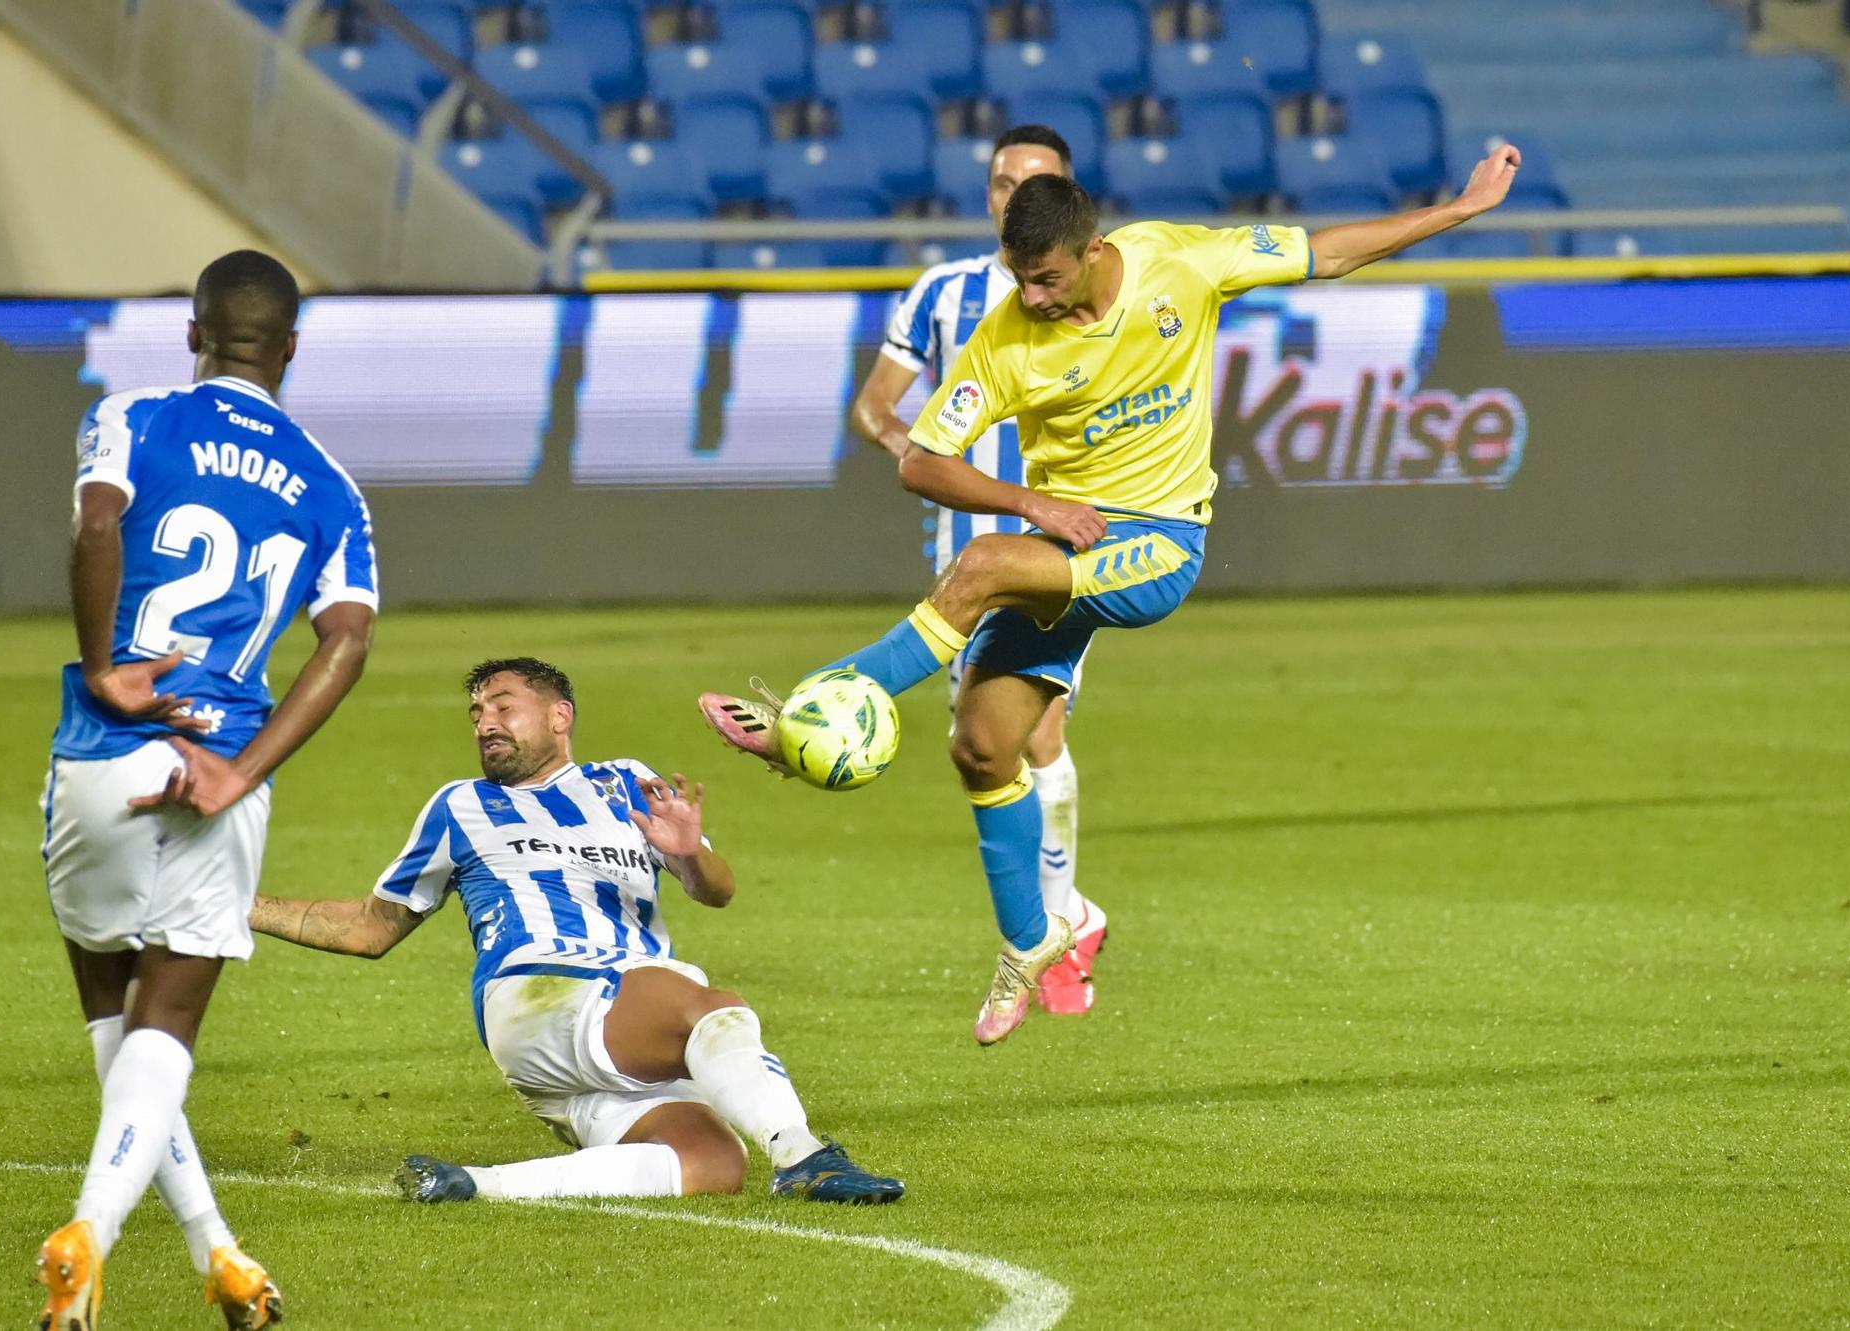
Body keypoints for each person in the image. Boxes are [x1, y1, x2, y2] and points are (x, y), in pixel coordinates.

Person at [704, 146, 1523, 1047]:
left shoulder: (1180, 262)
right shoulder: (1010, 333)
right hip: (1066, 541)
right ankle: (1031, 937)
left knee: (979, 567)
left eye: (1049, 279)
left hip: (1161, 544)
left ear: (1091, 249)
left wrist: (1462, 208)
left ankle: (811, 708)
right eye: (1023, 281)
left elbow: (1327, 252)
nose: (1036, 298)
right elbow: (922, 459)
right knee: (980, 749)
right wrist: (1028, 499)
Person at [37, 250, 379, 1331]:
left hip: (106, 741)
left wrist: (103, 667)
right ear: (286, 349)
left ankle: (213, 1256)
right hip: (221, 759)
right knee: (167, 1020)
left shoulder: (131, 416)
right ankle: (107, 1231)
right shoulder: (331, 483)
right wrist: (242, 765)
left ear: (194, 332)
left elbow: (97, 527)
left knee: (112, 1001)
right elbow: (347, 639)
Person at [247, 658, 904, 1207]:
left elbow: (717, 890)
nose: (486, 723)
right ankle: (804, 1155)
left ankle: (469, 1184)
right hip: (542, 994)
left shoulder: (625, 782)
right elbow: (371, 926)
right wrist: (233, 905)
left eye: (503, 706)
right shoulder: (463, 805)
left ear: (560, 714)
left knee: (710, 1161)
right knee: (713, 1007)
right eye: (477, 714)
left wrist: (688, 853)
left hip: (617, 1025)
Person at [848, 125, 1106, 1018]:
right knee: (982, 742)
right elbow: (876, 406)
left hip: (1058, 547)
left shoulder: (1097, 295)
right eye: (1001, 182)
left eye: (1032, 183)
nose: (1011, 197)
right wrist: (912, 452)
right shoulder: (943, 292)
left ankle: (1063, 926)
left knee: (1036, 737)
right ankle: (1066, 918)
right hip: (964, 551)